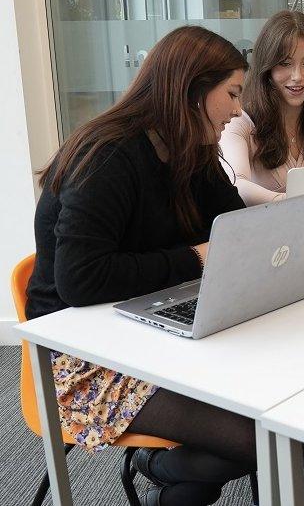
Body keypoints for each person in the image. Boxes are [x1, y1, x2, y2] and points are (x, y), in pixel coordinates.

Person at [28, 26, 255, 506]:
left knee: (288, 411)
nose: (238, 110)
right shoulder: (106, 154)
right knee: (263, 436)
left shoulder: (192, 148)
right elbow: (80, 280)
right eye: (232, 94)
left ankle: (169, 480)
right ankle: (161, 469)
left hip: (156, 322)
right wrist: (194, 257)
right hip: (82, 356)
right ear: (193, 90)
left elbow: (234, 228)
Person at [221, 10, 304, 206]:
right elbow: (236, 184)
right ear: (267, 68)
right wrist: (290, 203)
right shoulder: (240, 123)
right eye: (285, 63)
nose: (297, 76)